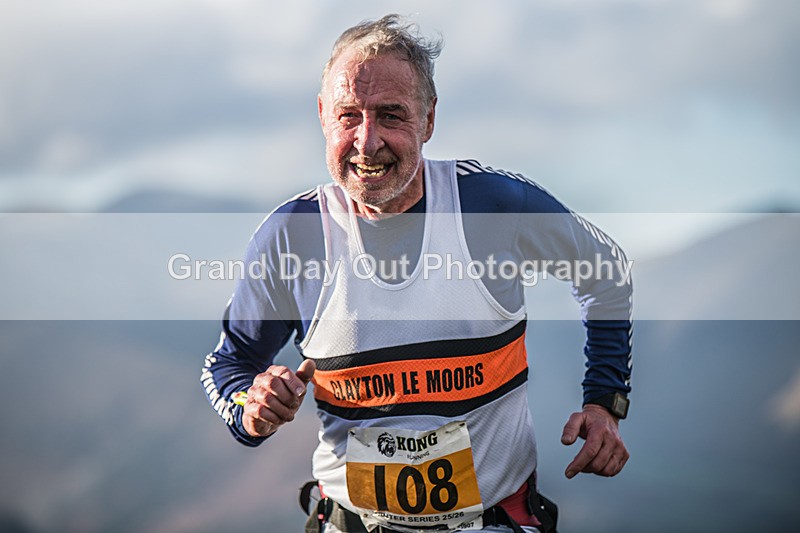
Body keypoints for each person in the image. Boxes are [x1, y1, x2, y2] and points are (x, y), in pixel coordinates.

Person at [201, 14, 632, 533]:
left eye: (390, 115)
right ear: (322, 116)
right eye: (348, 116)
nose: (367, 141)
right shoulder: (294, 234)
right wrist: (254, 405)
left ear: (428, 121)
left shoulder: (489, 205)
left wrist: (604, 401)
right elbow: (229, 368)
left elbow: (604, 271)